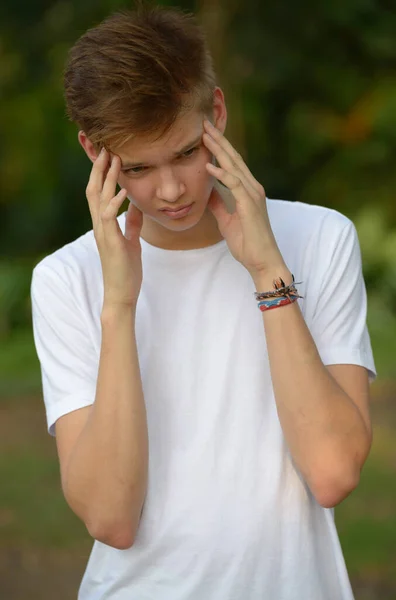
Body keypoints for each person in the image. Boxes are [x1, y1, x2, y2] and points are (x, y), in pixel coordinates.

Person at [30, 4, 377, 599]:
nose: (169, 191)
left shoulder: (319, 239)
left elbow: (332, 472)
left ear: (216, 110)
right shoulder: (67, 279)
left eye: (187, 152)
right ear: (95, 152)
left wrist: (269, 272)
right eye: (138, 167)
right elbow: (111, 517)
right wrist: (119, 305)